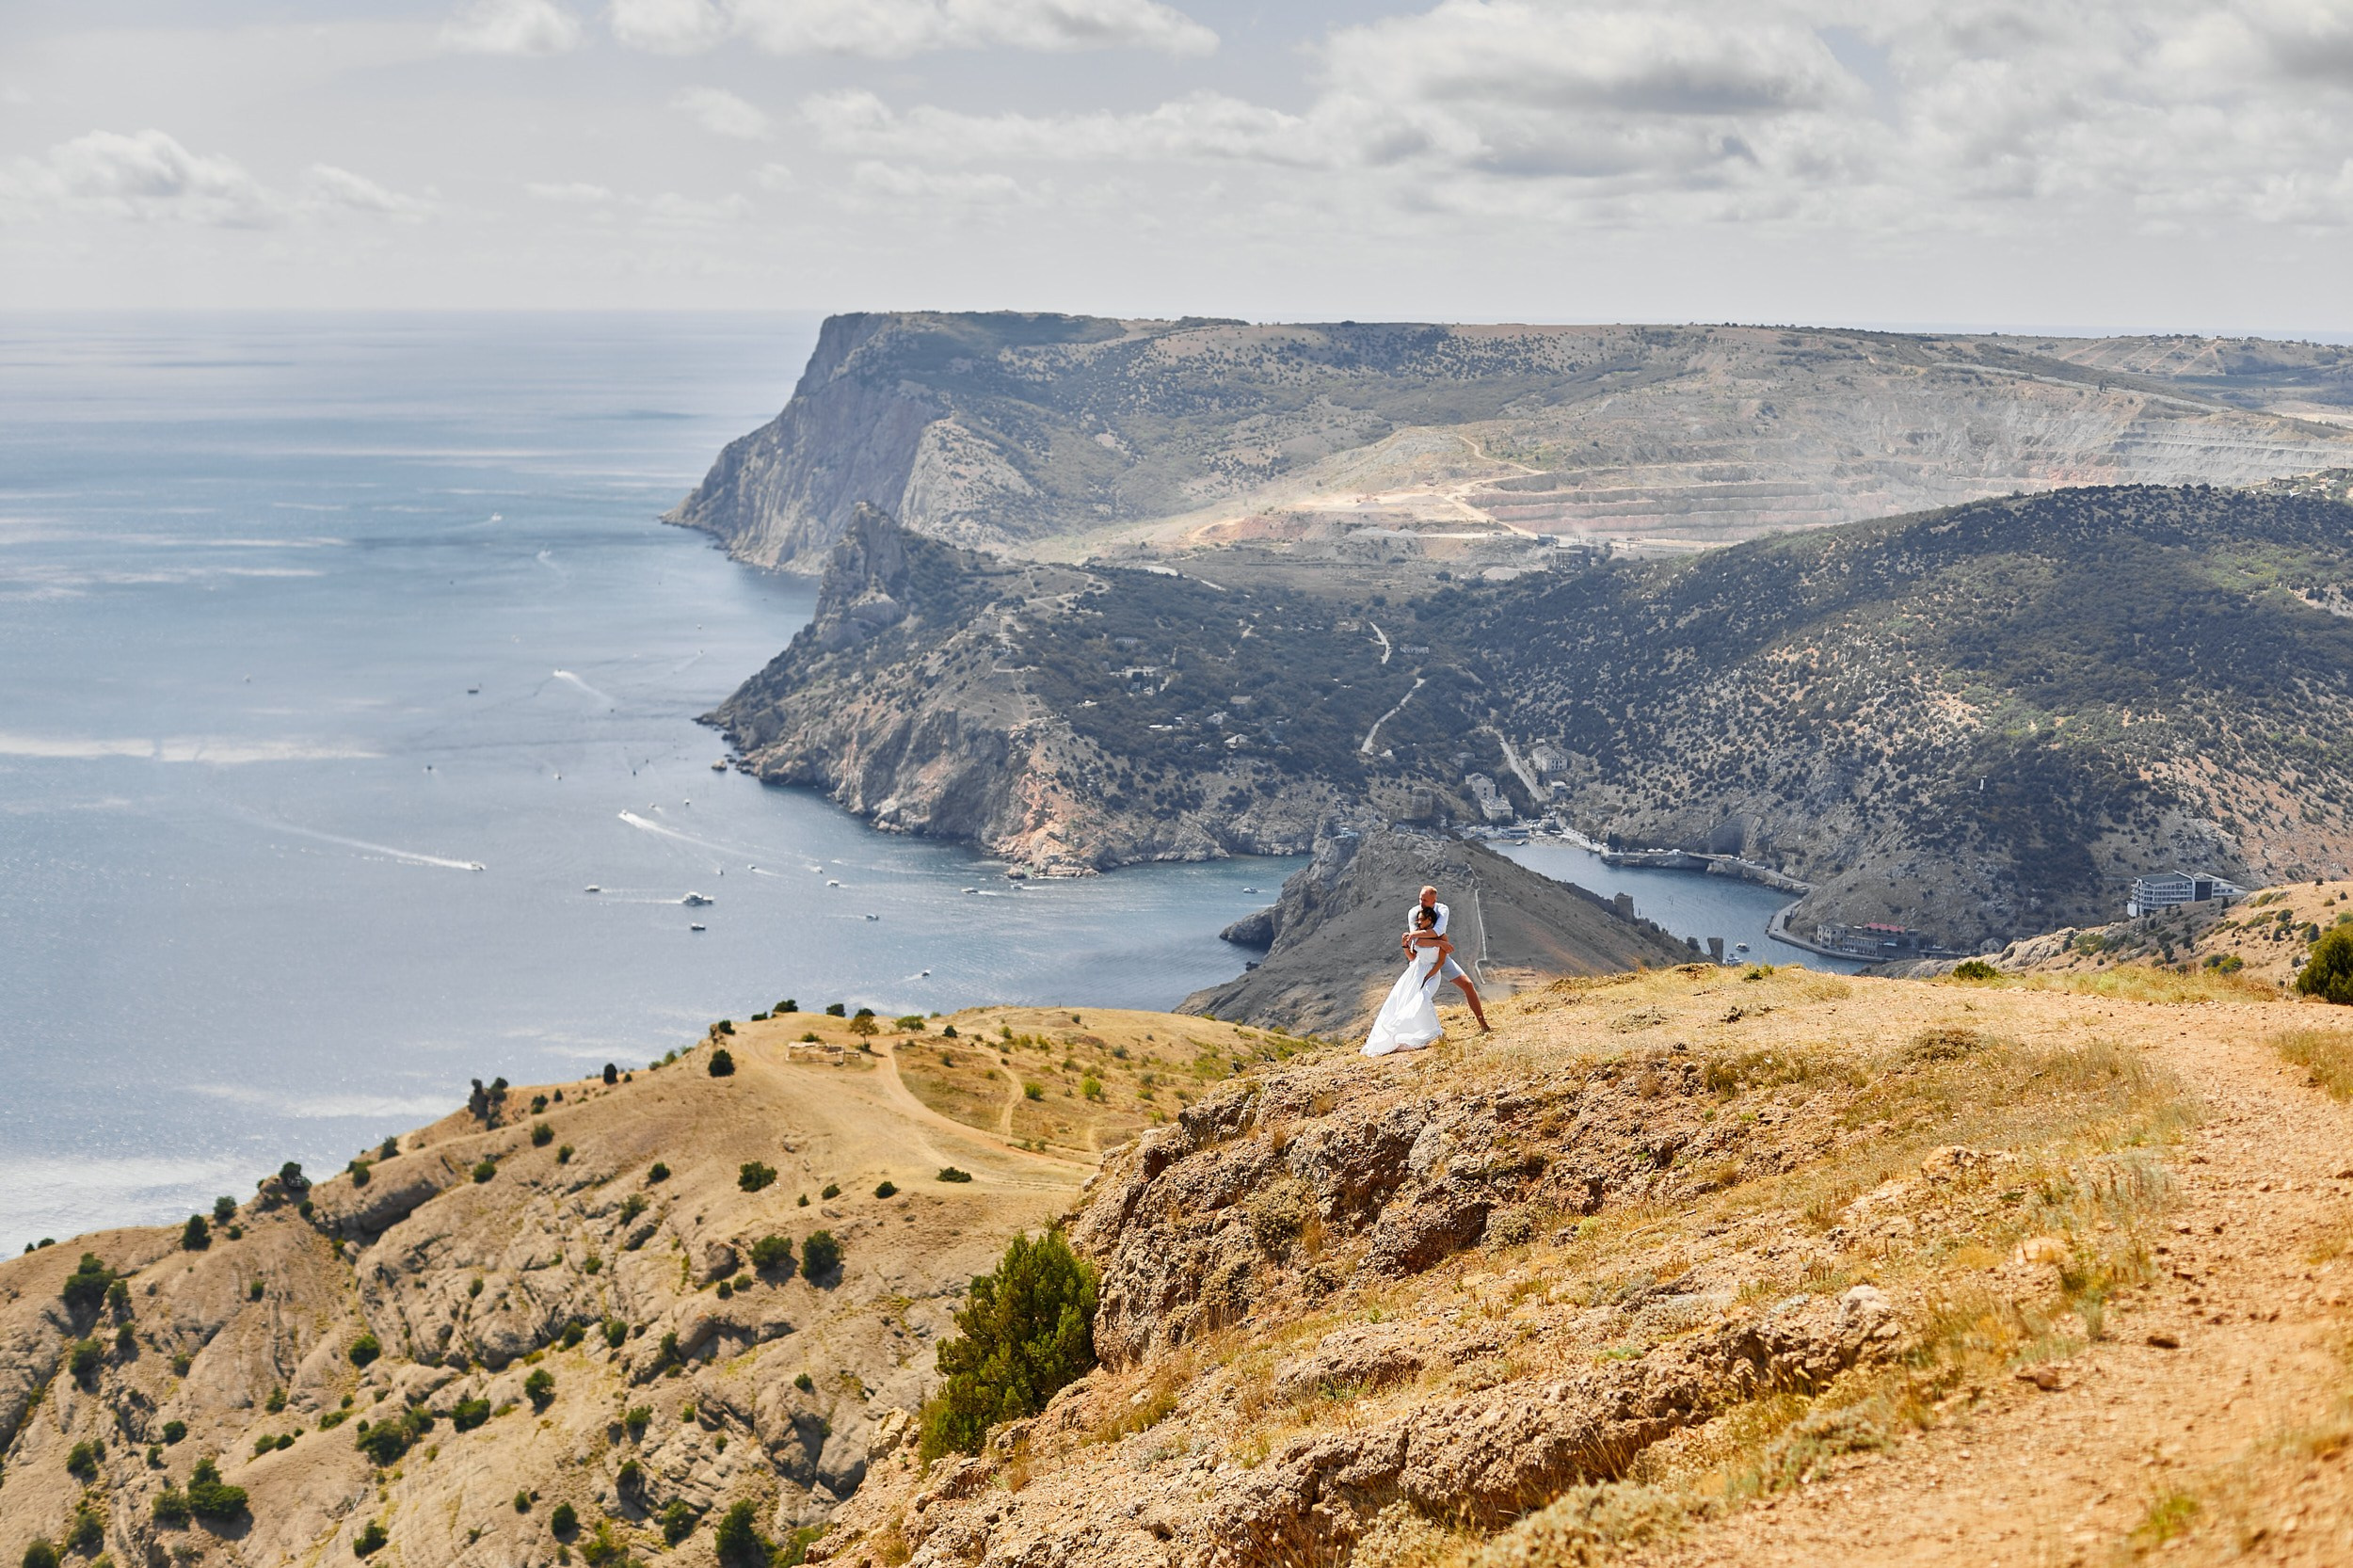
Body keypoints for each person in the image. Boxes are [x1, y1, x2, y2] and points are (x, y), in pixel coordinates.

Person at [1365, 905, 1449, 1056]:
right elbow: (1412, 957)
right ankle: (1418, 1034)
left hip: (1432, 973)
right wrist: (1404, 944)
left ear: (1430, 920)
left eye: (1421, 920)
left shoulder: (1442, 937)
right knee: (1406, 1003)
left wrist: (1428, 976)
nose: (1418, 923)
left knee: (1424, 999)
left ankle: (1438, 1033)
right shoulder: (1417, 937)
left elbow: (1441, 961)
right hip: (1415, 973)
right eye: (1418, 920)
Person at [1405, 884, 1490, 1032]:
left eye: (1425, 900)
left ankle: (1483, 1025)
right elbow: (1416, 941)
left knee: (1468, 985)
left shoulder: (1442, 909)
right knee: (1415, 997)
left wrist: (1431, 938)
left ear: (1434, 901)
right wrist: (1439, 942)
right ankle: (1416, 1032)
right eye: (1420, 899)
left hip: (1439, 957)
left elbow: (1439, 930)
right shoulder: (1414, 912)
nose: (1421, 903)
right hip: (1422, 961)